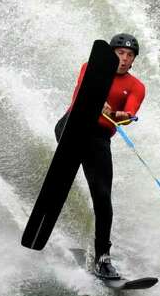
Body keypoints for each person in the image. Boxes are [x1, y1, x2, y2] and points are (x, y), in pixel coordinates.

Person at [55, 33, 146, 279]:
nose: (125, 59)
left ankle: (103, 259)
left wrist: (121, 115)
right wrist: (99, 102)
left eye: (129, 56)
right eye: (120, 54)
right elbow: (83, 90)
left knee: (103, 197)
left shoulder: (137, 86)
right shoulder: (90, 67)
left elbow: (130, 112)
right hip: (72, 126)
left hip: (98, 138)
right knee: (62, 179)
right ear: (111, 54)